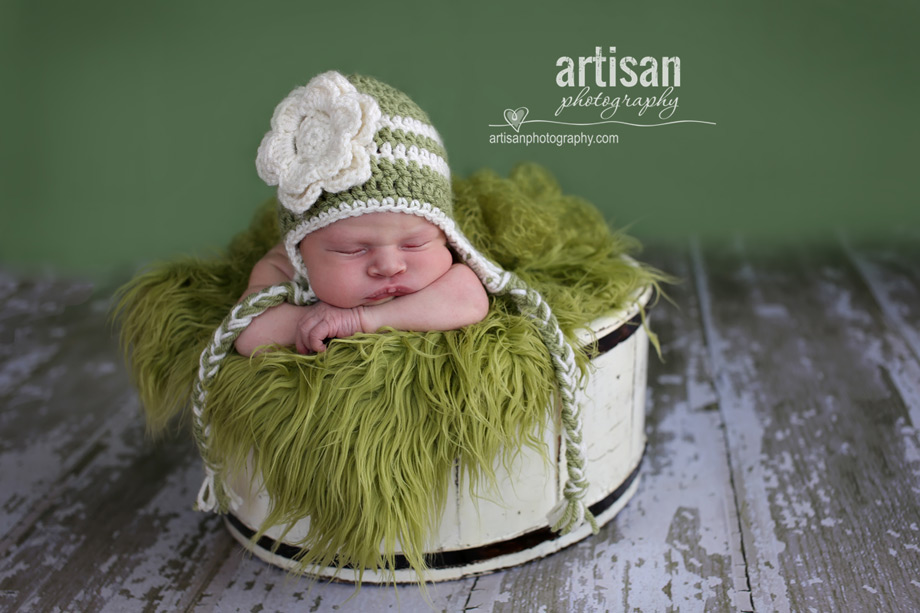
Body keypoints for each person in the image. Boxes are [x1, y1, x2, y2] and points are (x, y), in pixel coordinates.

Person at [234, 211, 489, 356]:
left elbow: (469, 297)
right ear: (301, 251)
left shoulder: (441, 259)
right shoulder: (284, 265)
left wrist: (357, 320)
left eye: (414, 244)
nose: (390, 266)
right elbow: (248, 330)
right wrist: (318, 319)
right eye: (351, 250)